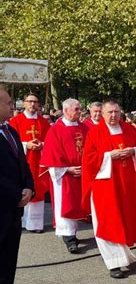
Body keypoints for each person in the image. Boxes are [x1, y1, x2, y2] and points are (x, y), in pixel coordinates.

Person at [82, 100, 136, 278]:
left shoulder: (130, 130)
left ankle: (123, 255)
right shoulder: (95, 133)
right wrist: (110, 156)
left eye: (116, 112)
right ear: (102, 113)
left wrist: (133, 151)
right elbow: (88, 160)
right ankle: (113, 263)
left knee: (124, 219)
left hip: (127, 183)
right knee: (108, 220)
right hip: (105, 184)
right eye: (109, 112)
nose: (113, 116)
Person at [40, 98, 89, 253]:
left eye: (79, 108)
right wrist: (68, 169)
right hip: (65, 175)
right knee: (65, 204)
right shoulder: (56, 130)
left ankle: (73, 233)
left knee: (78, 204)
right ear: (66, 110)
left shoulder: (83, 127)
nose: (79, 111)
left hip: (82, 173)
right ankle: (68, 237)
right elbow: (51, 156)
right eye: (76, 109)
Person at [0, 89, 34, 284]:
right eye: (9, 103)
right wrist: (16, 194)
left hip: (14, 212)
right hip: (2, 206)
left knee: (9, 264)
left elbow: (24, 165)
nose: (13, 107)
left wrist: (29, 188)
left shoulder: (11, 132)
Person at [9, 93, 50, 233]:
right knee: (22, 188)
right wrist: (27, 145)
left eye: (35, 102)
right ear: (24, 103)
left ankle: (35, 224)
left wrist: (41, 144)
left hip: (39, 161)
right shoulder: (16, 121)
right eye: (29, 101)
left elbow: (50, 141)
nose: (32, 104)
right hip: (22, 161)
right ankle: (20, 221)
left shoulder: (44, 122)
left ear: (39, 104)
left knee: (38, 189)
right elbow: (11, 142)